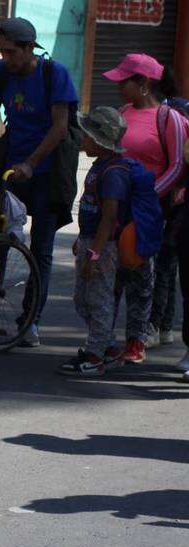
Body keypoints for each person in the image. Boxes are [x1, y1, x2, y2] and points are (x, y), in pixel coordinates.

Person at [0, 17, 79, 348]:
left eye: (11, 52)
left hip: (47, 173)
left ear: (28, 49)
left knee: (42, 248)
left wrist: (31, 164)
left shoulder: (55, 74)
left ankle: (31, 320)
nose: (5, 58)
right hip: (11, 168)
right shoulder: (1, 72)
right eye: (2, 51)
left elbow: (60, 127)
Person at [102, 54, 187, 364]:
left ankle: (136, 341)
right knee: (110, 278)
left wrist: (147, 197)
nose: (118, 86)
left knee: (141, 277)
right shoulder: (122, 113)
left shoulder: (169, 118)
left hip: (148, 213)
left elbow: (177, 164)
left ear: (144, 84)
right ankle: (103, 339)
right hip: (115, 208)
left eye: (124, 80)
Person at [60, 107, 132, 376]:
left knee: (99, 301)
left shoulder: (113, 173)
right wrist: (82, 239)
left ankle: (95, 356)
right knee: (82, 300)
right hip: (91, 241)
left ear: (100, 141)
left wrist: (94, 253)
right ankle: (109, 347)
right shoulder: (100, 167)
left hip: (103, 247)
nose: (83, 139)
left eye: (88, 136)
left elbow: (109, 217)